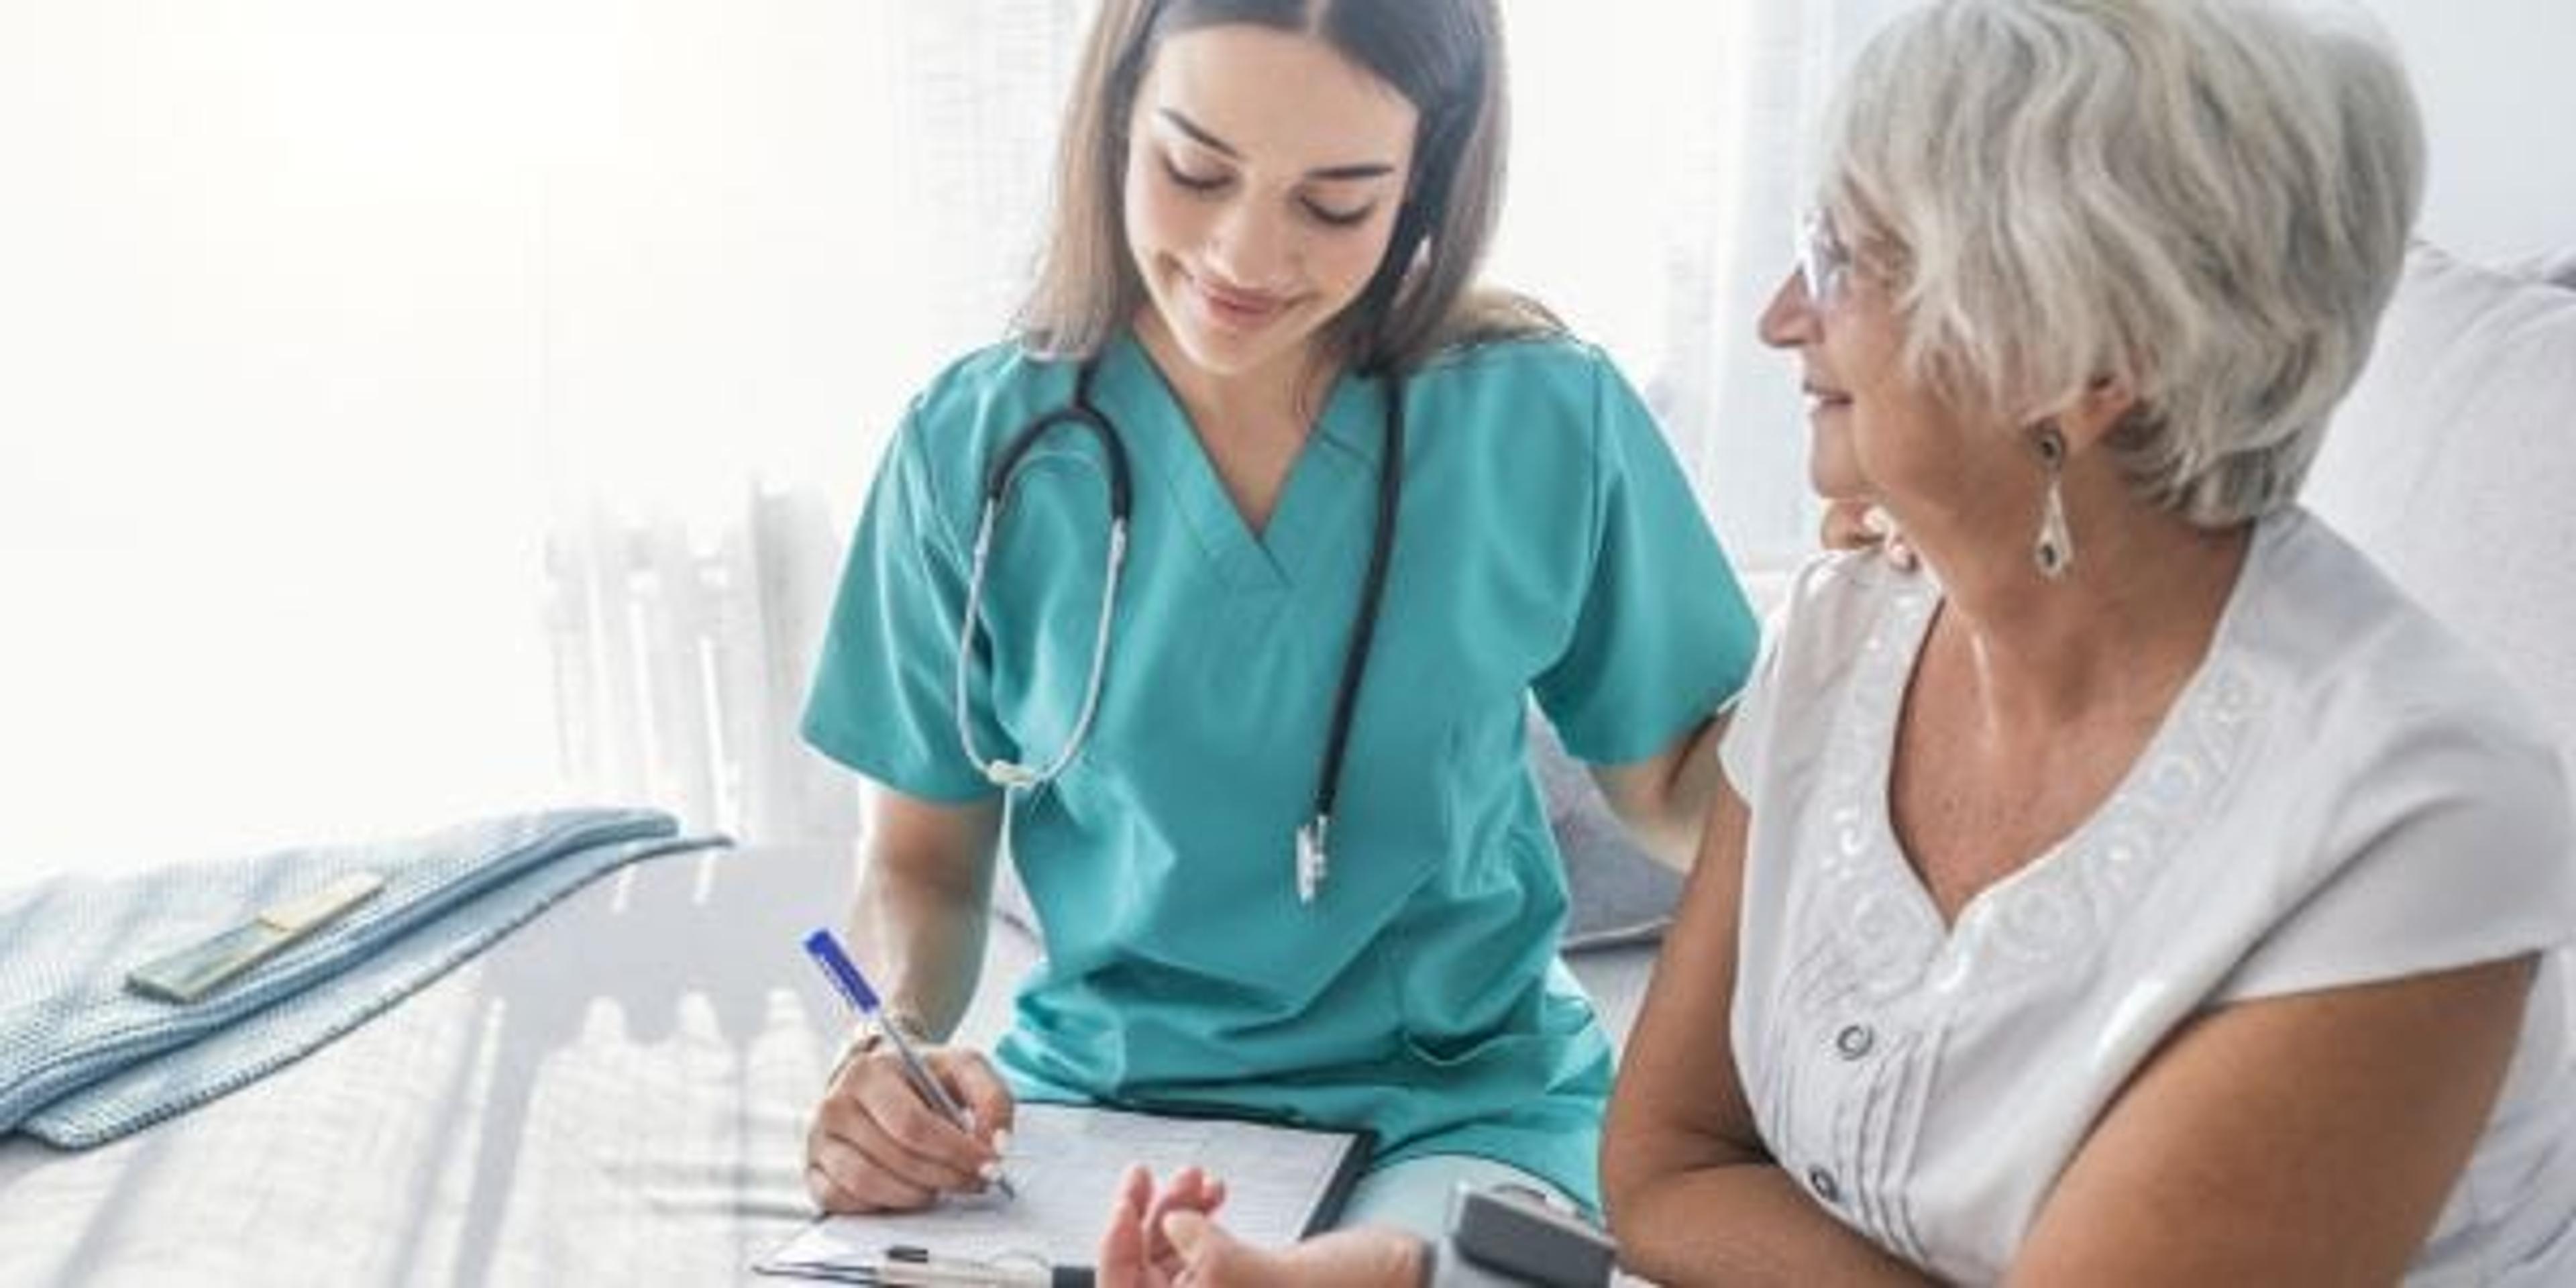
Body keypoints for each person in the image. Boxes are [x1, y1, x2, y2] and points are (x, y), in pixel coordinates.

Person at [1603, 0, 2576, 1283]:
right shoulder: (1846, 633)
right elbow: (1668, 1167)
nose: (1785, 316)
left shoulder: (2414, 812)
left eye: (1845, 259)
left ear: (2081, 357)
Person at [799, 0, 1760, 1239]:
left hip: (1457, 1110)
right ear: (1115, 121)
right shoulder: (972, 450)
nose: (1245, 257)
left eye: (1335, 202)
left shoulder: (1540, 420)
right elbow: (921, 868)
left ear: (1425, 181)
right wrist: (885, 1049)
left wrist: (1912, 665)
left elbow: (1687, 787)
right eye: (1195, 171)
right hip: (1103, 1111)